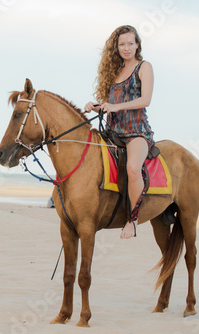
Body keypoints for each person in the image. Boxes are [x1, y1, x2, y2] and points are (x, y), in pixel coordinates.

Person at [85, 25, 155, 240]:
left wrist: (115, 107)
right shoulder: (113, 72)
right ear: (116, 47)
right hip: (112, 131)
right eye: (121, 44)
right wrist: (97, 106)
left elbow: (146, 100)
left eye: (130, 43)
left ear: (137, 45)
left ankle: (133, 219)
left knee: (133, 168)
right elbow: (111, 103)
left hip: (136, 132)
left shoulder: (144, 67)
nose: (126, 48)